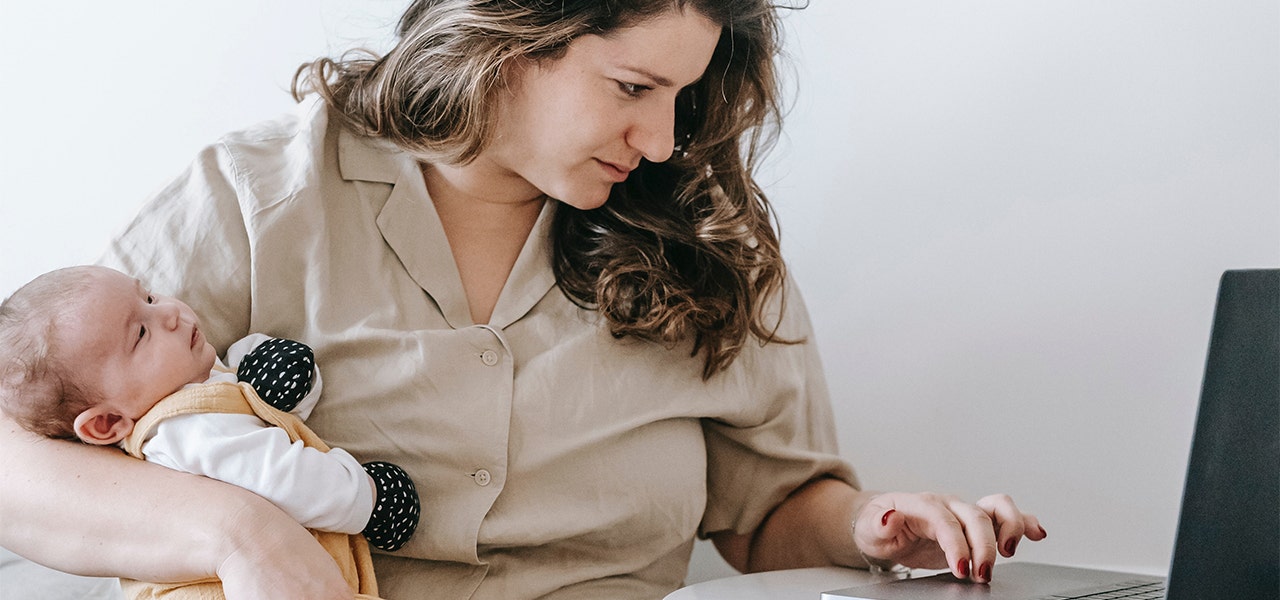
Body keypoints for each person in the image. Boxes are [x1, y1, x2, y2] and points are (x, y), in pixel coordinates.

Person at [0, 1, 1047, 598]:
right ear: (507, 37)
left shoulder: (712, 240)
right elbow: (20, 452)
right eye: (633, 89)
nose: (664, 142)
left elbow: (768, 510)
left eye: (684, 97)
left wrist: (871, 527)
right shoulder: (257, 197)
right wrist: (241, 534)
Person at [0, 265, 421, 599]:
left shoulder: (188, 391)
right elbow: (286, 478)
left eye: (148, 295)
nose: (168, 313)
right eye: (141, 334)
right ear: (107, 423)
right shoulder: (185, 431)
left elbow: (250, 406)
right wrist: (365, 497)